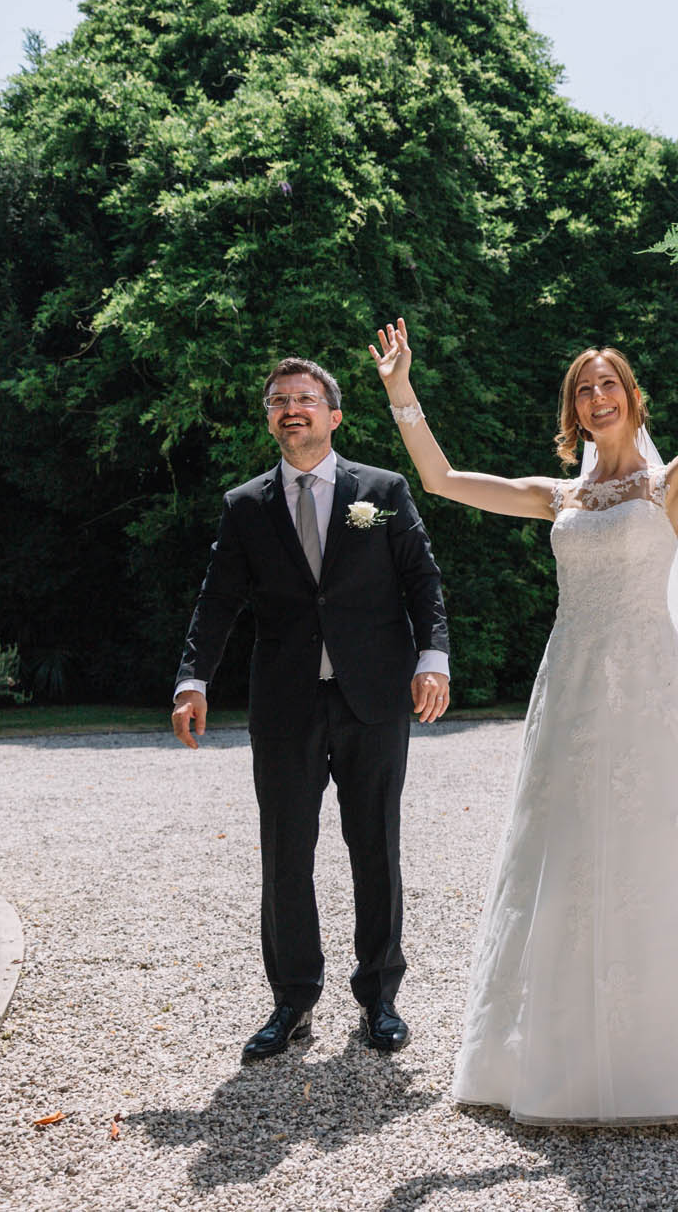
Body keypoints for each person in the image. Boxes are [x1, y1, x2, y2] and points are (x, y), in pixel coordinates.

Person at [371, 238, 678, 1126]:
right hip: (569, 689)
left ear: (631, 397)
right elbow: (441, 481)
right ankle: (558, 1049)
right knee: (563, 850)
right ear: (573, 410)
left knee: (661, 846)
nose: (597, 396)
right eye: (583, 389)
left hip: (646, 693)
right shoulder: (556, 496)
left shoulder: (668, 486)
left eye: (609, 384)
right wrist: (401, 391)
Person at [171, 357, 451, 1061]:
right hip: (286, 703)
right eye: (279, 400)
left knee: (375, 846)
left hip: (373, 697)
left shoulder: (381, 491)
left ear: (334, 415)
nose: (291, 408)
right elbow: (217, 599)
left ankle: (379, 996)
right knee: (286, 852)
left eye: (305, 398)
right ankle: (292, 999)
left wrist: (434, 657)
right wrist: (193, 679)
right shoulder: (245, 505)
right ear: (270, 417)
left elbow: (421, 579)